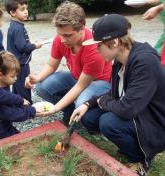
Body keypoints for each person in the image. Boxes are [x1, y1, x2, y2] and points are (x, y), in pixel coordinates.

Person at [70, 14, 165, 175]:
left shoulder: (144, 62)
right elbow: (115, 93)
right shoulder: (121, 59)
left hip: (156, 122)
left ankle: (141, 160)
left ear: (114, 42)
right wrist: (89, 104)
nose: (96, 49)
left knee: (109, 122)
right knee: (89, 116)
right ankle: (130, 144)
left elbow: (127, 109)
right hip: (139, 110)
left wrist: (102, 102)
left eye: (99, 45)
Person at [25, 1, 112, 124]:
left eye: (67, 35)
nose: (62, 39)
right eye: (60, 34)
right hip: (76, 77)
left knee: (81, 102)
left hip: (99, 82)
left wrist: (55, 108)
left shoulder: (93, 48)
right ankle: (70, 110)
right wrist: (37, 77)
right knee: (41, 87)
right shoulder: (60, 39)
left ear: (82, 28)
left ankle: (92, 116)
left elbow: (80, 86)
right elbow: (51, 65)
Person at [0, 52, 43, 142]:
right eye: (12, 76)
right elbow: (11, 114)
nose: (16, 78)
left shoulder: (4, 84)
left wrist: (23, 105)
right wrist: (31, 111)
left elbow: (10, 101)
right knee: (18, 143)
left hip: (3, 122)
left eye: (16, 75)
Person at [5, 0, 42, 104]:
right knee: (24, 85)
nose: (26, 12)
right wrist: (35, 46)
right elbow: (22, 47)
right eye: (22, 9)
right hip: (21, 63)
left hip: (15, 62)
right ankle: (27, 106)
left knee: (17, 85)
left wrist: (31, 44)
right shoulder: (18, 28)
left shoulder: (15, 25)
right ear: (12, 13)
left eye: (26, 9)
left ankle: (17, 104)